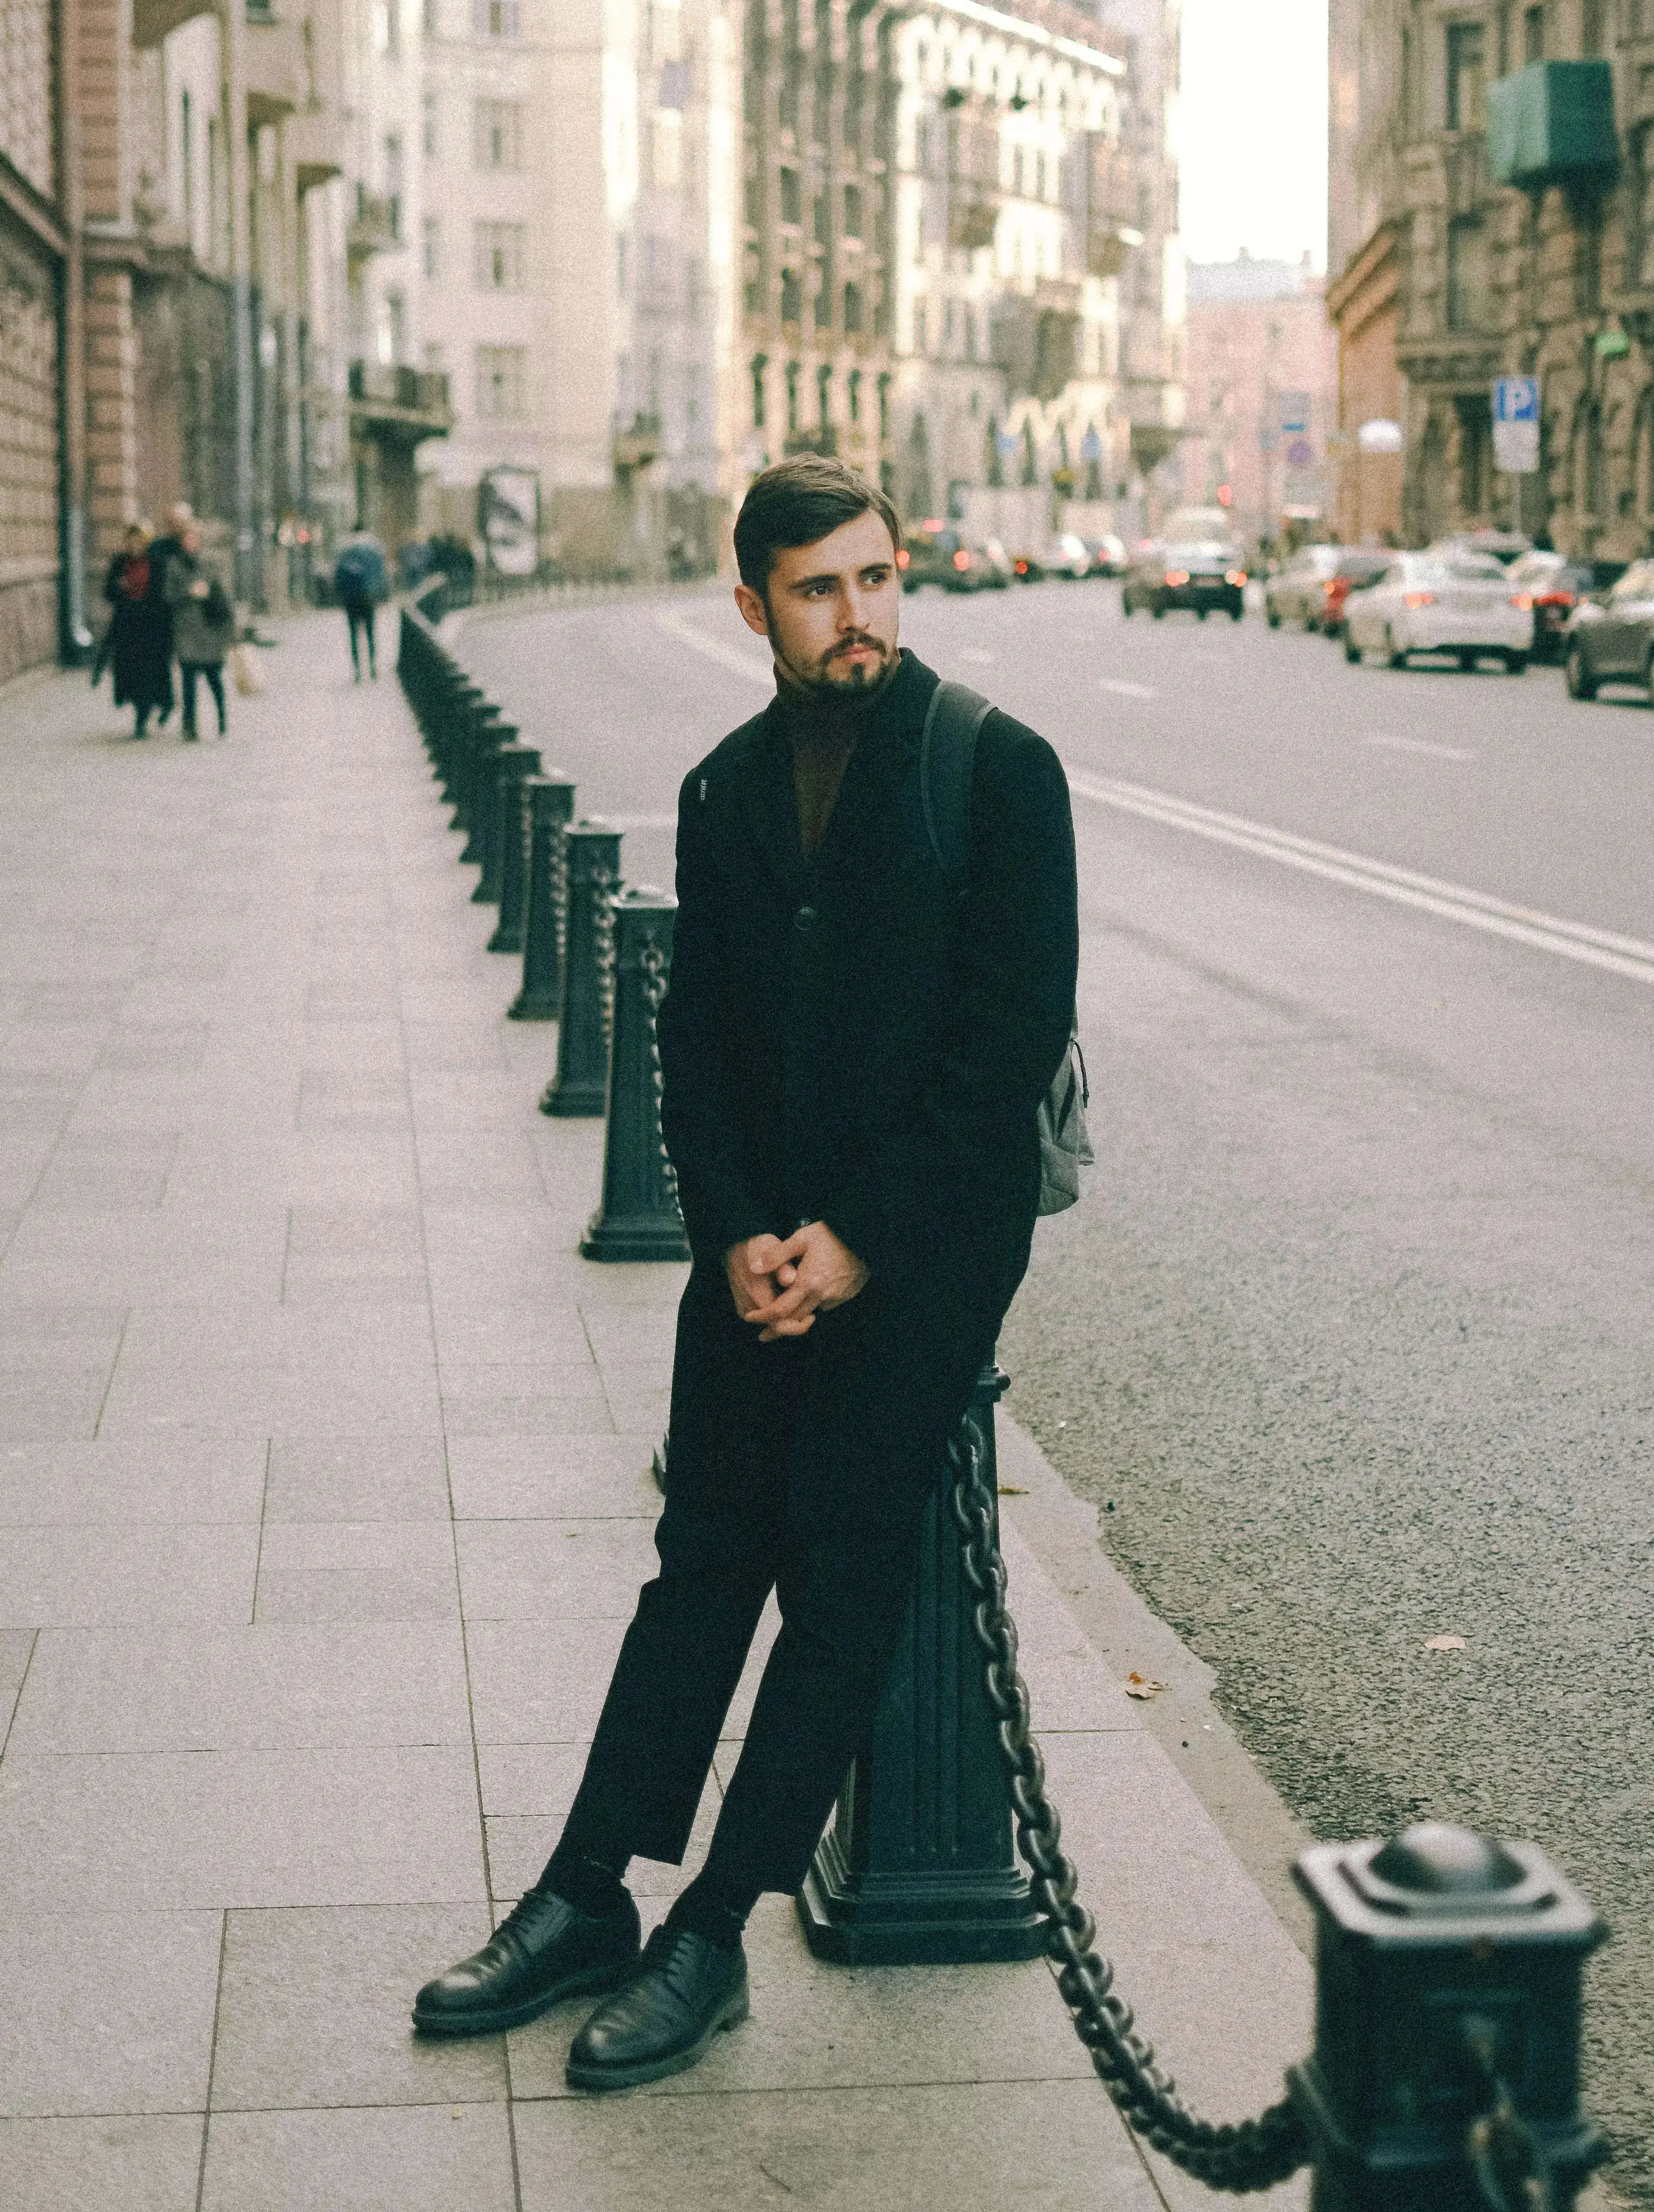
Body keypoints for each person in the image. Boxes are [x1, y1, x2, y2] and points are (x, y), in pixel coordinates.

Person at [413, 457, 1079, 2088]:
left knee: (840, 1577)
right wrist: (732, 1238)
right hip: (755, 1257)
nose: (854, 617)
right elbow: (689, 1043)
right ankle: (583, 1893)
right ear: (753, 607)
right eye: (814, 590)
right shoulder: (719, 788)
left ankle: (710, 1929)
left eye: (872, 579)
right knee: (699, 1558)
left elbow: (1003, 1053)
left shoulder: (993, 767)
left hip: (918, 1256)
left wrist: (857, 1242)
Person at [99, 521, 173, 738]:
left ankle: (146, 716)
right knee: (131, 674)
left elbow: (162, 596)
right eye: (131, 540)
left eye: (139, 541)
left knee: (150, 674)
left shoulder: (157, 564)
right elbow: (108, 592)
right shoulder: (120, 563)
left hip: (151, 628)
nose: (135, 545)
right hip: (127, 628)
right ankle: (142, 710)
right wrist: (119, 587)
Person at [165, 520, 234, 739]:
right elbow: (168, 597)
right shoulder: (174, 565)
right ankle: (189, 725)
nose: (191, 543)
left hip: (209, 631)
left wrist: (228, 633)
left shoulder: (210, 564)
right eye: (187, 539)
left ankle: (222, 718)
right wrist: (189, 592)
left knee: (215, 679)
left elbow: (223, 598)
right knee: (188, 682)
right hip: (186, 631)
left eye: (194, 538)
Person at [332, 521, 388, 680]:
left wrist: (340, 594)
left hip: (351, 598)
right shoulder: (374, 548)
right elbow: (381, 574)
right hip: (369, 597)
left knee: (354, 633)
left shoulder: (345, 550)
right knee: (371, 632)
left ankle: (357, 669)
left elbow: (339, 575)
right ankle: (372, 665)